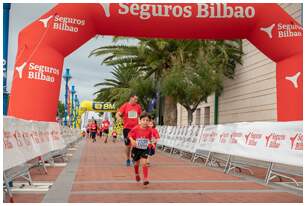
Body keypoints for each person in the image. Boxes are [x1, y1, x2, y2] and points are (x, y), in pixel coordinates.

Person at [116, 94, 142, 166]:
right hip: (127, 129)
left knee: (135, 144)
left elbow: (141, 115)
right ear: (131, 98)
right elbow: (118, 114)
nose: (136, 101)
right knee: (128, 145)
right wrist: (119, 118)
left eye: (137, 99)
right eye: (135, 99)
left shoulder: (138, 106)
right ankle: (127, 159)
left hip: (136, 129)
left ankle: (133, 157)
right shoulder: (125, 105)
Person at [128, 112, 153, 185]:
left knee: (144, 163)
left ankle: (145, 178)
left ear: (149, 121)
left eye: (147, 120)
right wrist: (132, 140)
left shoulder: (150, 130)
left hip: (145, 148)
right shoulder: (136, 128)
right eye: (143, 120)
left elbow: (150, 138)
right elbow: (129, 135)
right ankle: (136, 173)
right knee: (136, 163)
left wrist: (151, 142)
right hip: (136, 148)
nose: (145, 122)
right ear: (140, 120)